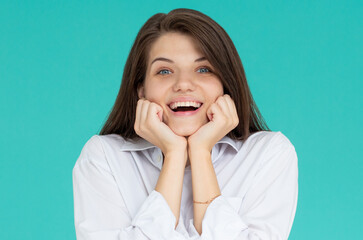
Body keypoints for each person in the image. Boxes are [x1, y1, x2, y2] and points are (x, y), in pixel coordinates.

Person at [72, 8, 298, 240]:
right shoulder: (104, 157)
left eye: (203, 69)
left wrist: (200, 153)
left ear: (225, 84)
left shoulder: (268, 154)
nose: (183, 84)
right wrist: (174, 154)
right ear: (142, 89)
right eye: (165, 71)